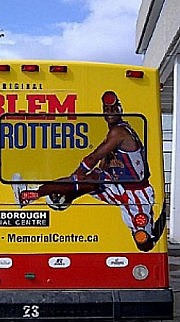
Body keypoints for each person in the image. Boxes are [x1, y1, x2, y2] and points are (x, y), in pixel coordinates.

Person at [15, 90, 165, 252]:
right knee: (92, 180)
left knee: (144, 244)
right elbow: (102, 163)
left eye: (114, 108)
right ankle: (32, 195)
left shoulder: (119, 132)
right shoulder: (115, 132)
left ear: (121, 110)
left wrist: (76, 177)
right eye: (106, 109)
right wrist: (80, 180)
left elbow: (93, 157)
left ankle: (62, 195)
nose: (110, 112)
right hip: (119, 185)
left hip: (136, 193)